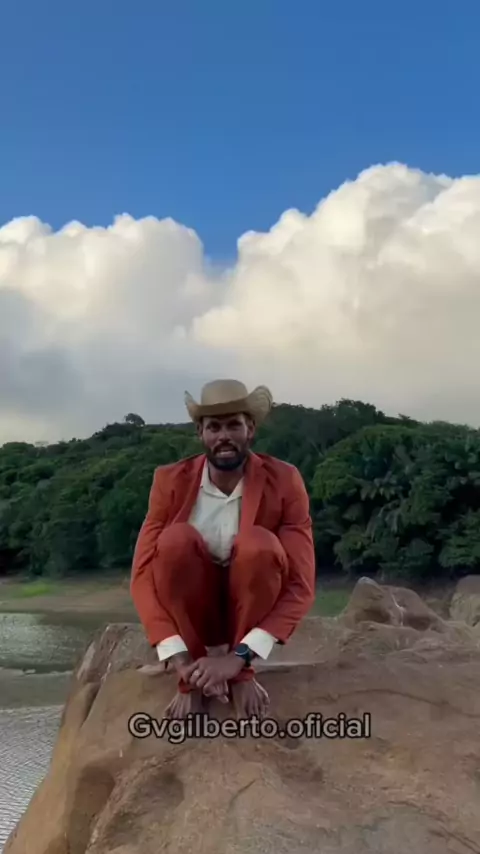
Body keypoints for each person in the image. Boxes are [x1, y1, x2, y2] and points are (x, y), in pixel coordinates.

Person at [130, 379, 316, 720]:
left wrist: (238, 661)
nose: (224, 436)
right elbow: (142, 576)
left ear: (250, 429)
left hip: (248, 610)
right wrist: (183, 665)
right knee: (174, 542)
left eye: (234, 425)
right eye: (214, 427)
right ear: (200, 433)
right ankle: (196, 678)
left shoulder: (284, 480)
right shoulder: (170, 481)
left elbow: (300, 585)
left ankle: (241, 675)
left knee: (258, 545)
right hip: (193, 614)